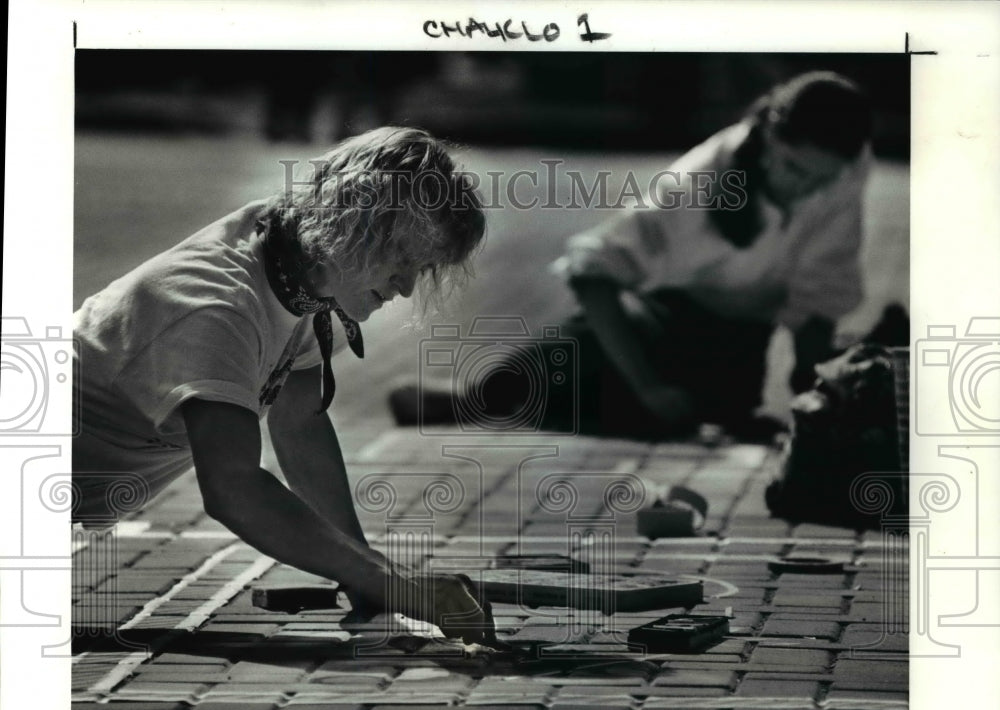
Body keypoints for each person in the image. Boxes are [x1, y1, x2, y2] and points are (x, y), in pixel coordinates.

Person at [72, 126, 492, 644]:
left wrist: (367, 574)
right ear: (356, 226)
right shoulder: (216, 307)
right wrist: (394, 586)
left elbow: (299, 425)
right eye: (403, 260)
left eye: (421, 269)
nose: (407, 287)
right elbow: (233, 488)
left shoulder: (299, 258)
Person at [391, 71, 896, 441]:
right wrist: (651, 387)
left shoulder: (847, 169)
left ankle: (491, 403)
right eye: (791, 168)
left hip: (737, 352)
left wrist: (812, 396)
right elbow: (592, 274)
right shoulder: (699, 181)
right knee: (572, 368)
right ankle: (472, 400)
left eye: (818, 178)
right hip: (652, 325)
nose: (803, 187)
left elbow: (819, 295)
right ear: (768, 138)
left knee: (666, 422)